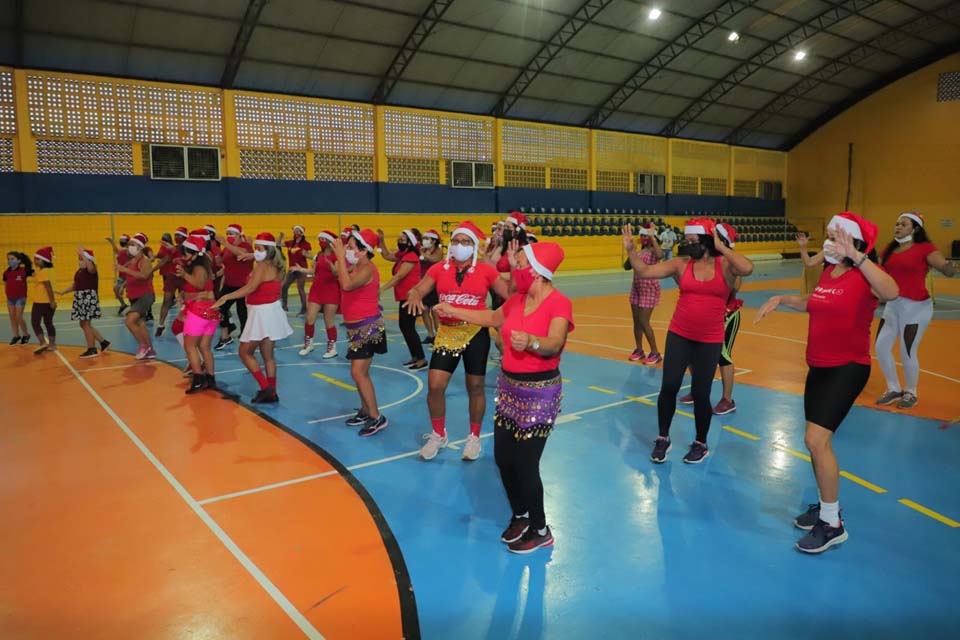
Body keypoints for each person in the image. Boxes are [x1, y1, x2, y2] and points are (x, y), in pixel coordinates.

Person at [756, 212, 898, 554]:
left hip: (847, 367)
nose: (829, 244)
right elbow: (812, 302)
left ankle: (832, 523)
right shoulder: (828, 270)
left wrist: (860, 257)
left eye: (836, 239)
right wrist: (781, 299)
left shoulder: (865, 276)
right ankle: (825, 504)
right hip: (818, 366)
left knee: (816, 440)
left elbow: (892, 291)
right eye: (830, 238)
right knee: (815, 444)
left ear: (855, 244)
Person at [434, 241, 574, 554]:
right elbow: (492, 318)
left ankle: (540, 529)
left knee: (526, 464)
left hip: (539, 393)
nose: (513, 268)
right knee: (503, 459)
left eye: (521, 262)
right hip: (509, 390)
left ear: (537, 272)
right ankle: (521, 515)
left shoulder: (559, 303)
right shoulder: (517, 300)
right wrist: (453, 310)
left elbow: (554, 343)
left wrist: (533, 344)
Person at [623, 218, 754, 464]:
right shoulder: (680, 265)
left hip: (709, 340)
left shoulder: (725, 265)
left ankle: (700, 442)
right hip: (679, 335)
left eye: (693, 241)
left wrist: (723, 247)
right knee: (669, 387)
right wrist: (631, 251)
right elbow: (644, 271)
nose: (688, 244)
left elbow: (747, 268)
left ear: (707, 241)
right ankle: (663, 438)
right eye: (687, 240)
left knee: (701, 393)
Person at [404, 221, 511, 461]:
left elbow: (509, 295)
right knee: (435, 386)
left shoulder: (486, 270)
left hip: (476, 332)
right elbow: (419, 289)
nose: (459, 246)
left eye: (465, 242)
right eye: (455, 241)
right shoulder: (439, 268)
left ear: (474, 246)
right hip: (447, 333)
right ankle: (438, 434)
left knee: (475, 387)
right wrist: (414, 294)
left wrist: (510, 269)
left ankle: (473, 437)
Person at [875, 212, 956, 409]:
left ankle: (911, 393)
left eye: (904, 224)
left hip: (917, 307)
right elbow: (878, 273)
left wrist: (949, 268)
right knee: (881, 347)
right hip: (893, 306)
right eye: (897, 223)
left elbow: (946, 268)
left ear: (915, 228)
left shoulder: (925, 248)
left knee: (907, 351)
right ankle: (893, 388)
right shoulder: (889, 249)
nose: (898, 226)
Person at [214, 232, 292, 402]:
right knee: (268, 355)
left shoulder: (263, 267)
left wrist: (226, 297)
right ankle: (272, 391)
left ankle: (266, 388)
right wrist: (252, 255)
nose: (256, 251)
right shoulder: (279, 265)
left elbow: (250, 288)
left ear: (268, 250)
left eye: (258, 248)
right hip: (272, 311)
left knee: (244, 352)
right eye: (255, 248)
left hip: (260, 313)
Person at [679, 223, 743, 414]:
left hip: (728, 314)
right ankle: (697, 389)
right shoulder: (704, 260)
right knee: (691, 353)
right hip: (706, 317)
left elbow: (737, 286)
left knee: (723, 355)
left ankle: (727, 399)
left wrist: (726, 256)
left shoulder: (728, 262)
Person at [331, 229, 389, 436]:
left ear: (364, 251)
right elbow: (341, 276)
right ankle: (365, 410)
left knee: (358, 372)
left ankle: (376, 417)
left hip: (367, 326)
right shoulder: (357, 266)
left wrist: (339, 257)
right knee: (359, 373)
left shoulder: (368, 269)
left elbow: (346, 285)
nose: (347, 250)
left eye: (351, 247)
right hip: (356, 327)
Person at [379, 228, 428, 370]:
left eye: (402, 240)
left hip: (411, 297)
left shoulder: (411, 256)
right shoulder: (403, 255)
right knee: (406, 327)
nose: (399, 242)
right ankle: (416, 356)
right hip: (404, 297)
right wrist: (382, 241)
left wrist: (382, 289)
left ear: (410, 243)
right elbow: (387, 255)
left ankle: (421, 358)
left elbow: (399, 276)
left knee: (408, 327)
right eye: (398, 239)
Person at [178, 232, 220, 394]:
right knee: (204, 346)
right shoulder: (205, 265)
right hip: (209, 312)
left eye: (186, 252)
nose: (184, 256)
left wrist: (184, 275)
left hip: (199, 311)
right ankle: (210, 378)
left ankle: (198, 379)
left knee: (190, 346)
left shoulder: (198, 268)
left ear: (194, 253)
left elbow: (199, 283)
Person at [57, 247, 110, 358]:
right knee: (84, 324)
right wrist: (63, 292)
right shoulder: (79, 272)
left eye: (82, 258)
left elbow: (90, 268)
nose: (80, 260)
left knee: (85, 324)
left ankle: (92, 349)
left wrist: (84, 255)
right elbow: (75, 285)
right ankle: (103, 342)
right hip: (80, 297)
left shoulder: (92, 268)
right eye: (79, 258)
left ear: (89, 259)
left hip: (88, 297)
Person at [297, 230, 340, 359]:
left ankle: (332, 348)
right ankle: (308, 344)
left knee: (329, 321)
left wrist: (331, 264)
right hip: (316, 289)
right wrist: (301, 270)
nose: (320, 242)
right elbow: (314, 271)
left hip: (331, 290)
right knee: (309, 318)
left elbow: (337, 273)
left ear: (329, 242)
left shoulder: (337, 256)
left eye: (323, 239)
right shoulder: (319, 255)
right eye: (319, 239)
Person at [626, 222, 663, 364]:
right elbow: (627, 266)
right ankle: (639, 349)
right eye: (640, 235)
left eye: (644, 235)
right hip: (636, 288)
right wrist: (631, 250)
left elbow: (660, 254)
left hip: (649, 288)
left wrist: (653, 237)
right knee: (636, 321)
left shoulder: (654, 251)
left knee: (644, 321)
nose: (642, 238)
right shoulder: (639, 252)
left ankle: (655, 352)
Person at [116, 233, 157, 360]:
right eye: (129, 245)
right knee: (140, 323)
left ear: (139, 246)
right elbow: (131, 276)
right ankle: (151, 351)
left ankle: (143, 345)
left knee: (129, 320)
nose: (129, 247)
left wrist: (124, 269)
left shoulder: (144, 261)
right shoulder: (132, 261)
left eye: (132, 245)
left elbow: (144, 276)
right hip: (134, 295)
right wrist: (123, 285)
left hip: (145, 295)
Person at [214, 224, 254, 350]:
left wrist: (225, 243)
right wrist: (218, 258)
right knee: (220, 309)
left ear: (239, 235)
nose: (229, 236)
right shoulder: (226, 248)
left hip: (243, 286)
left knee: (242, 312)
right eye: (228, 233)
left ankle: (245, 336)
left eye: (232, 234)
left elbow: (242, 254)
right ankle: (225, 336)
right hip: (229, 284)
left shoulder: (245, 246)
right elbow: (222, 262)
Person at [154, 231, 184, 337]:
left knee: (186, 303)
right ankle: (161, 325)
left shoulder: (188, 249)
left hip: (184, 277)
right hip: (171, 276)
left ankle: (186, 325)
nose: (176, 237)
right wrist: (150, 271)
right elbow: (162, 261)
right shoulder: (171, 249)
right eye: (175, 235)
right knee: (166, 301)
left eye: (179, 235)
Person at [30, 246, 57, 355]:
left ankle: (42, 343)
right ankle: (52, 344)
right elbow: (44, 280)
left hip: (41, 302)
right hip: (47, 303)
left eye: (37, 259)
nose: (35, 261)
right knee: (48, 323)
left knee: (35, 322)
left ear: (43, 261)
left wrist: (52, 301)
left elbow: (48, 287)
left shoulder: (43, 272)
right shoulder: (49, 271)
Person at [280, 225, 312, 315]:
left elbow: (311, 256)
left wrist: (305, 254)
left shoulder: (306, 244)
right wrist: (280, 236)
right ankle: (284, 306)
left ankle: (304, 308)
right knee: (284, 286)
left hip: (301, 269)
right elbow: (278, 244)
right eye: (295, 231)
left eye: (298, 231)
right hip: (292, 269)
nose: (296, 233)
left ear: (302, 233)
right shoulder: (290, 243)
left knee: (300, 287)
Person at [419, 229, 443, 344]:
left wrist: (423, 254)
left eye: (427, 238)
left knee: (434, 310)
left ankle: (438, 334)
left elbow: (435, 259)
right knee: (424, 309)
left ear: (434, 241)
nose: (425, 241)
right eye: (424, 238)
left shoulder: (438, 251)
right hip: (423, 282)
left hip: (434, 284)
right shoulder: (423, 250)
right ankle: (430, 334)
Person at [4, 251, 31, 345]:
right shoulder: (6, 272)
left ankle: (26, 334)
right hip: (10, 298)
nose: (10, 261)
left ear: (19, 260)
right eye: (8, 259)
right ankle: (16, 335)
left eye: (12, 259)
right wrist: (7, 295)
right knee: (12, 316)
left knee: (18, 316)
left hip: (21, 297)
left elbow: (36, 275)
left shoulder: (24, 270)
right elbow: (5, 284)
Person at [107, 233, 131, 314]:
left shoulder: (130, 251)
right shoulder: (121, 251)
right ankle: (123, 305)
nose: (122, 241)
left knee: (130, 292)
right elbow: (116, 251)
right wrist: (112, 242)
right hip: (121, 276)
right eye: (121, 240)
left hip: (129, 275)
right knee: (116, 289)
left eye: (124, 240)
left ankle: (134, 307)